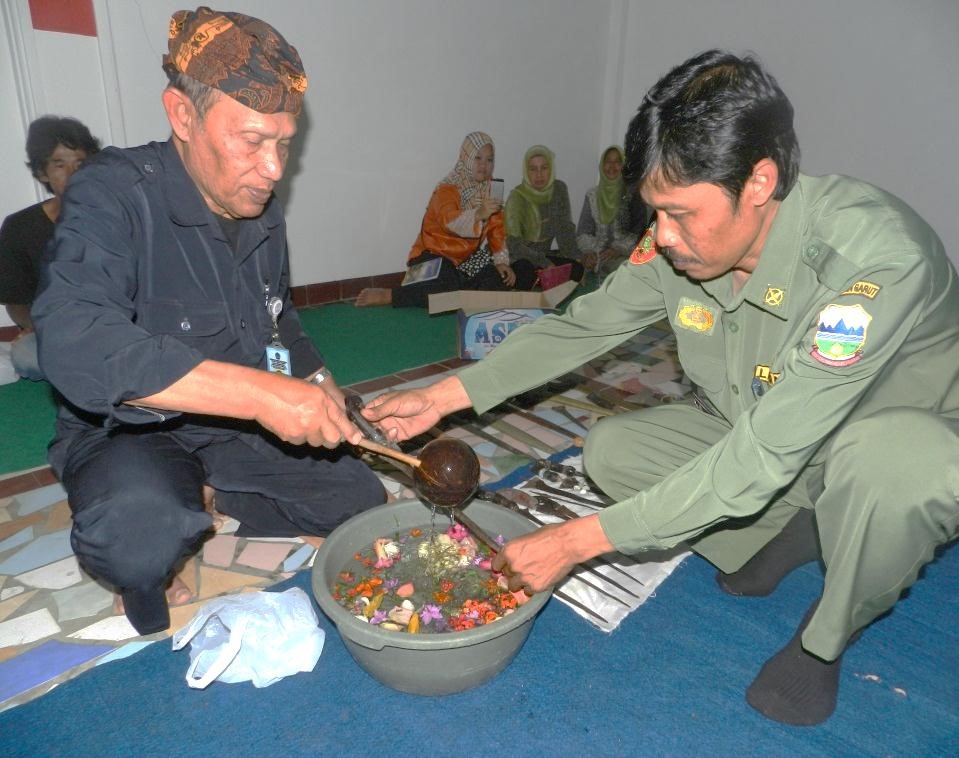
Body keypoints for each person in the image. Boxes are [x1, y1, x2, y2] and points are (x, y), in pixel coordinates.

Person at [362, 49, 959, 726]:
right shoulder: (682, 240)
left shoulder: (872, 263)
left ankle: (825, 636)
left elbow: (761, 455)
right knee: (613, 450)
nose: (663, 237)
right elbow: (581, 326)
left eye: (679, 214)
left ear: (759, 182)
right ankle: (799, 524)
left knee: (894, 466)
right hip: (777, 435)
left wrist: (574, 542)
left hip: (892, 441)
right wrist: (445, 396)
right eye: (654, 213)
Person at [32, 7, 386, 635]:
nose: (274, 168)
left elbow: (280, 320)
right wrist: (260, 394)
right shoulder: (110, 193)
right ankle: (167, 501)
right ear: (183, 115)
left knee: (358, 499)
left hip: (230, 427)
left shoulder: (259, 208)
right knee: (140, 542)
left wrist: (318, 383)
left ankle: (209, 493)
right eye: (253, 141)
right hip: (128, 429)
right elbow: (74, 338)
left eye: (284, 143)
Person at [355, 131, 514, 307]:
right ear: (466, 158)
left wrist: (501, 263)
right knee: (448, 288)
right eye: (477, 158)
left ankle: (461, 294)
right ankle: (392, 295)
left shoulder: (489, 190)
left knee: (501, 278)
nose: (484, 165)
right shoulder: (447, 189)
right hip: (432, 258)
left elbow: (496, 229)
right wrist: (477, 214)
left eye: (489, 160)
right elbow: (449, 221)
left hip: (464, 262)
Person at [0, 116, 100, 381]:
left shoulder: (117, 214)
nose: (72, 174)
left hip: (113, 324)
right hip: (57, 331)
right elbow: (16, 302)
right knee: (25, 355)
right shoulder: (20, 227)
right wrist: (38, 326)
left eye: (80, 163)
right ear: (42, 172)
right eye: (60, 164)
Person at [505, 145, 584, 290]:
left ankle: (543, 279)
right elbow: (513, 245)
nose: (539, 175)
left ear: (551, 168)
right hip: (519, 258)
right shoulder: (517, 197)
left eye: (544, 168)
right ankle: (544, 278)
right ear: (526, 171)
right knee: (525, 272)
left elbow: (564, 228)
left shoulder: (559, 189)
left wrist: (576, 258)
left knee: (577, 269)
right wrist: (545, 263)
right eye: (533, 169)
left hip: (544, 255)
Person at [576, 145, 649, 279]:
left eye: (617, 162)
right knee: (573, 266)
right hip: (599, 253)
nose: (612, 166)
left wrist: (618, 249)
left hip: (625, 254)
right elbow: (583, 231)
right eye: (608, 161)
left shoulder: (633, 194)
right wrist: (590, 252)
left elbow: (639, 231)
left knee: (622, 270)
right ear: (602, 165)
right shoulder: (592, 195)